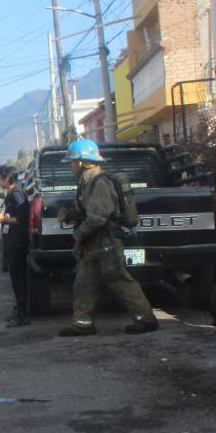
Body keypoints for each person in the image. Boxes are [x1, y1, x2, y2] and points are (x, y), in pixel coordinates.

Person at [57, 139, 159, 336]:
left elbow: (98, 217)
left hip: (106, 244)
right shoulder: (86, 182)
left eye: (71, 161)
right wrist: (73, 216)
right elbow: (89, 212)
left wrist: (79, 233)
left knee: (119, 280)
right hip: (93, 244)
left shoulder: (100, 183)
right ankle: (82, 323)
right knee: (84, 284)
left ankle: (145, 319)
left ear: (81, 162)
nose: (70, 165)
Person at [0, 167, 31, 327]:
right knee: (15, 280)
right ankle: (19, 310)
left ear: (7, 178)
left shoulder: (16, 194)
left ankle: (23, 315)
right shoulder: (11, 193)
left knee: (19, 280)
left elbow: (22, 219)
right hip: (11, 242)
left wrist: (3, 219)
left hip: (17, 243)